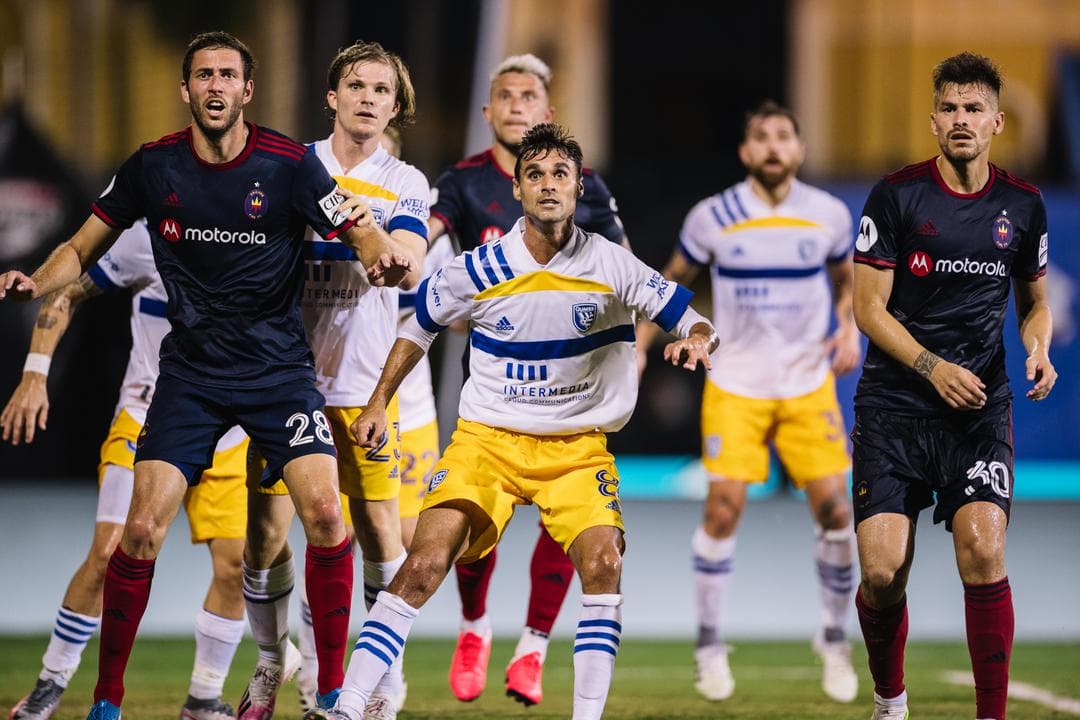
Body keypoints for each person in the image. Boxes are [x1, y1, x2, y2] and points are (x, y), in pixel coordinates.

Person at [0, 31, 415, 720]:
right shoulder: (153, 169)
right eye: (203, 75)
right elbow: (79, 248)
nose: (216, 85)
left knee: (322, 513)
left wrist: (382, 255)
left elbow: (356, 228)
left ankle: (333, 691)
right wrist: (35, 280)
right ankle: (106, 701)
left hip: (279, 373)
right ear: (185, 89)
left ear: (247, 90)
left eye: (228, 75)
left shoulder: (288, 165)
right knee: (136, 535)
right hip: (190, 377)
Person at [304, 122, 718, 720]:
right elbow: (415, 329)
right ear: (518, 191)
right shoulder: (477, 267)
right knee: (421, 564)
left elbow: (687, 314)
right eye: (535, 175)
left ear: (579, 189)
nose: (548, 185)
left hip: (576, 448)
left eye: (560, 175)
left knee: (604, 565)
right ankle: (347, 708)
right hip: (486, 445)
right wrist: (375, 403)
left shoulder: (612, 264)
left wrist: (698, 339)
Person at [636, 99, 862, 703]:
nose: (772, 146)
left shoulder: (829, 216)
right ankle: (709, 645)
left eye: (783, 136)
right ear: (745, 152)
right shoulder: (715, 216)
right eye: (760, 136)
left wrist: (848, 326)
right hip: (735, 382)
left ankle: (835, 640)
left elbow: (847, 280)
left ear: (799, 149)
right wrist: (640, 344)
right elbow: (672, 280)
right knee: (722, 511)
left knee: (838, 513)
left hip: (806, 381)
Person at [851, 52, 1055, 720]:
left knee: (984, 550)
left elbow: (1034, 303)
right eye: (949, 108)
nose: (961, 119)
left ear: (998, 121)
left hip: (977, 408)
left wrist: (1038, 348)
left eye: (974, 108)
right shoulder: (897, 196)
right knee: (882, 574)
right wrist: (932, 368)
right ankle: (890, 699)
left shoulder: (1023, 206)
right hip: (895, 407)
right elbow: (867, 309)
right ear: (933, 120)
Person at [426, 52, 629, 707]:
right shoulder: (458, 183)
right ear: (488, 112)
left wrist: (639, 348)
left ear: (547, 111)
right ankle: (474, 628)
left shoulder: (583, 185)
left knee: (566, 523)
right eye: (505, 95)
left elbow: (627, 277)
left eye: (529, 95)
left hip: (573, 387)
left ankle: (534, 647)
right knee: (472, 516)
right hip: (490, 380)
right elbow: (425, 249)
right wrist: (433, 293)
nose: (516, 104)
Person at [1, 222, 259, 720]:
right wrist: (34, 372)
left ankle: (204, 698)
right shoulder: (153, 234)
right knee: (107, 553)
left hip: (229, 430)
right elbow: (67, 293)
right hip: (146, 418)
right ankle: (49, 684)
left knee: (236, 569)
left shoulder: (265, 229)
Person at [243, 40, 428, 720]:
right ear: (332, 96)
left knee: (381, 533)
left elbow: (409, 258)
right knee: (266, 536)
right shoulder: (292, 168)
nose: (369, 98)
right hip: (286, 380)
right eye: (357, 85)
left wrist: (390, 251)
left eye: (383, 90)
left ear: (394, 106)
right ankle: (271, 661)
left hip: (364, 384)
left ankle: (380, 676)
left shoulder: (406, 181)